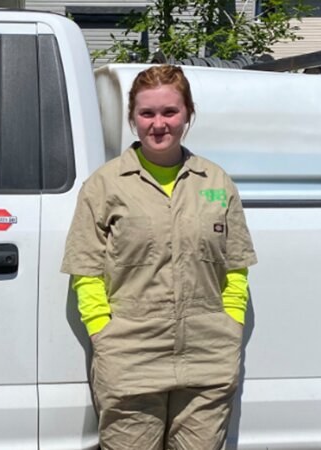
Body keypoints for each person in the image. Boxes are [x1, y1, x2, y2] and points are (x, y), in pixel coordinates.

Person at [61, 65, 257, 450]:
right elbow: (86, 272)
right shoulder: (104, 186)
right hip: (130, 357)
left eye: (170, 112)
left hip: (208, 357)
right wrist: (103, 333)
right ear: (133, 118)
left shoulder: (216, 183)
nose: (159, 124)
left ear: (188, 114)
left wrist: (230, 324)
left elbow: (236, 266)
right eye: (147, 113)